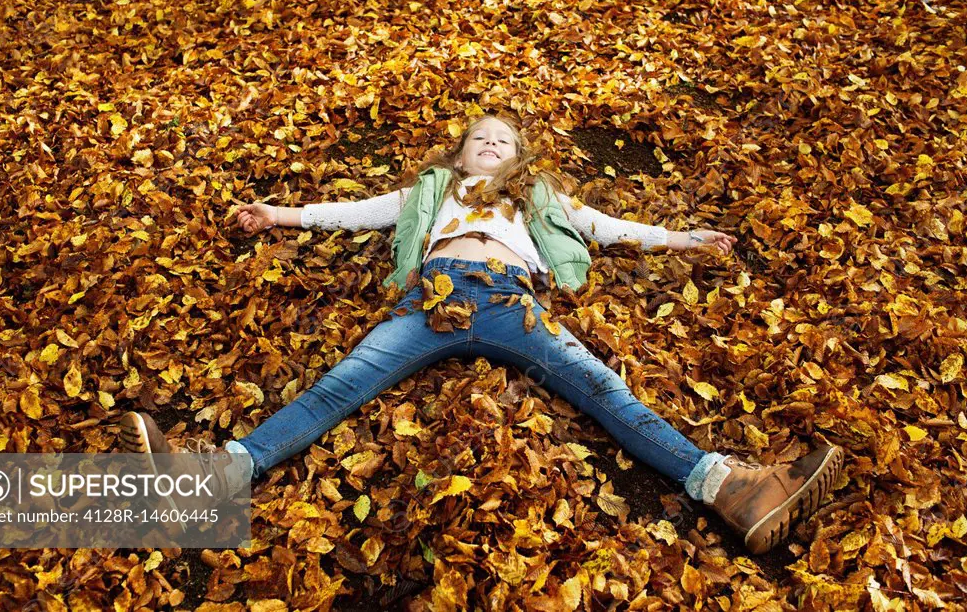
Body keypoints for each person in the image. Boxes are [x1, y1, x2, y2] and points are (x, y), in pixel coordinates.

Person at [120, 113, 843, 555]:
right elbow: (361, 210)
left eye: (503, 140)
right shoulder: (431, 193)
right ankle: (216, 475)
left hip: (511, 302)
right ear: (458, 155)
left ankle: (730, 487)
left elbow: (605, 229)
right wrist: (282, 215)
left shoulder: (539, 197)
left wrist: (679, 238)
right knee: (339, 385)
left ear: (519, 157)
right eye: (478, 139)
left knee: (601, 386)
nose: (490, 145)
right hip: (431, 301)